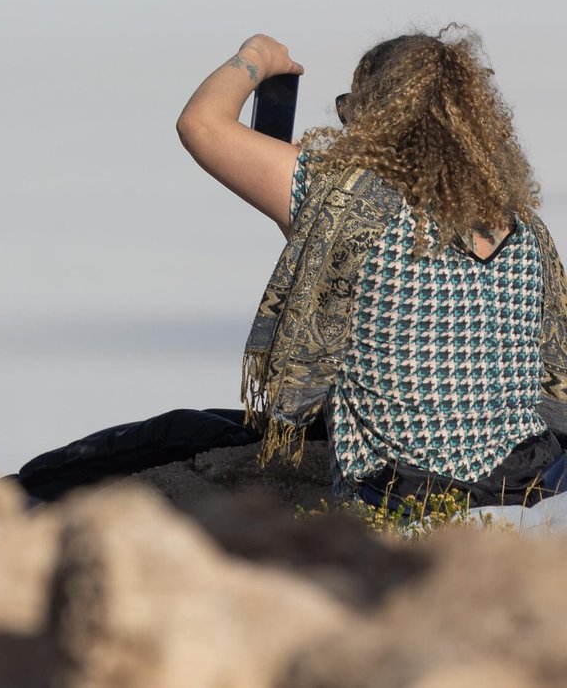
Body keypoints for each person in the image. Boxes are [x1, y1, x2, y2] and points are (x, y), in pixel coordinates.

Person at [177, 28, 567, 512]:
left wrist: (256, 56)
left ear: (372, 117)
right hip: (542, 487)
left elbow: (200, 123)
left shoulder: (343, 201)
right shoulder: (525, 226)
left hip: (408, 502)